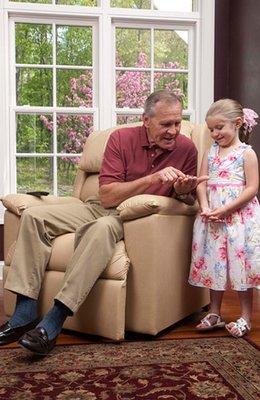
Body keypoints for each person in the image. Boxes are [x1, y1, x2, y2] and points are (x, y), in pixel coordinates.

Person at [0, 90, 206, 355]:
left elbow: (186, 202)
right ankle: (24, 312)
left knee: (101, 229)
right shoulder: (121, 138)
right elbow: (106, 195)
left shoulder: (187, 149)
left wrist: (182, 190)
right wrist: (154, 178)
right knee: (34, 216)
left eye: (177, 122)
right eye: (166, 124)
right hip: (100, 207)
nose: (173, 130)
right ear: (145, 120)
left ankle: (54, 320)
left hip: (134, 219)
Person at [189, 98, 260, 338]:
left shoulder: (246, 154)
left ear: (237, 123)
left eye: (219, 127)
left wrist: (227, 209)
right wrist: (206, 206)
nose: (214, 133)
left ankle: (246, 317)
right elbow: (201, 183)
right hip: (213, 218)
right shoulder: (210, 153)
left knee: (241, 264)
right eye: (211, 129)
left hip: (238, 217)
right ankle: (215, 312)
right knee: (214, 262)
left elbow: (252, 188)